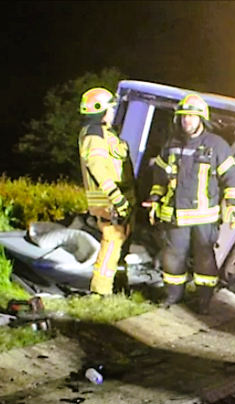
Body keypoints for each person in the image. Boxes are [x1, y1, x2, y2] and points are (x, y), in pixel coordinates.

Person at [144, 93, 235, 314]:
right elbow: (159, 178)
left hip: (203, 218)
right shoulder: (170, 145)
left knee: (204, 261)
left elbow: (231, 178)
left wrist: (233, 205)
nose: (186, 120)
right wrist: (154, 199)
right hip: (174, 215)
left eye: (191, 116)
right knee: (172, 259)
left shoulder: (217, 145)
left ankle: (204, 300)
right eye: (183, 116)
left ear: (202, 118)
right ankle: (173, 295)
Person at [79, 87, 135, 296]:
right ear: (101, 110)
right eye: (110, 109)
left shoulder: (104, 132)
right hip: (109, 199)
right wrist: (116, 197)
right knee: (111, 242)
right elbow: (97, 167)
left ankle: (118, 286)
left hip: (118, 196)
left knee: (119, 243)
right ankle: (100, 291)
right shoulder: (94, 134)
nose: (113, 112)